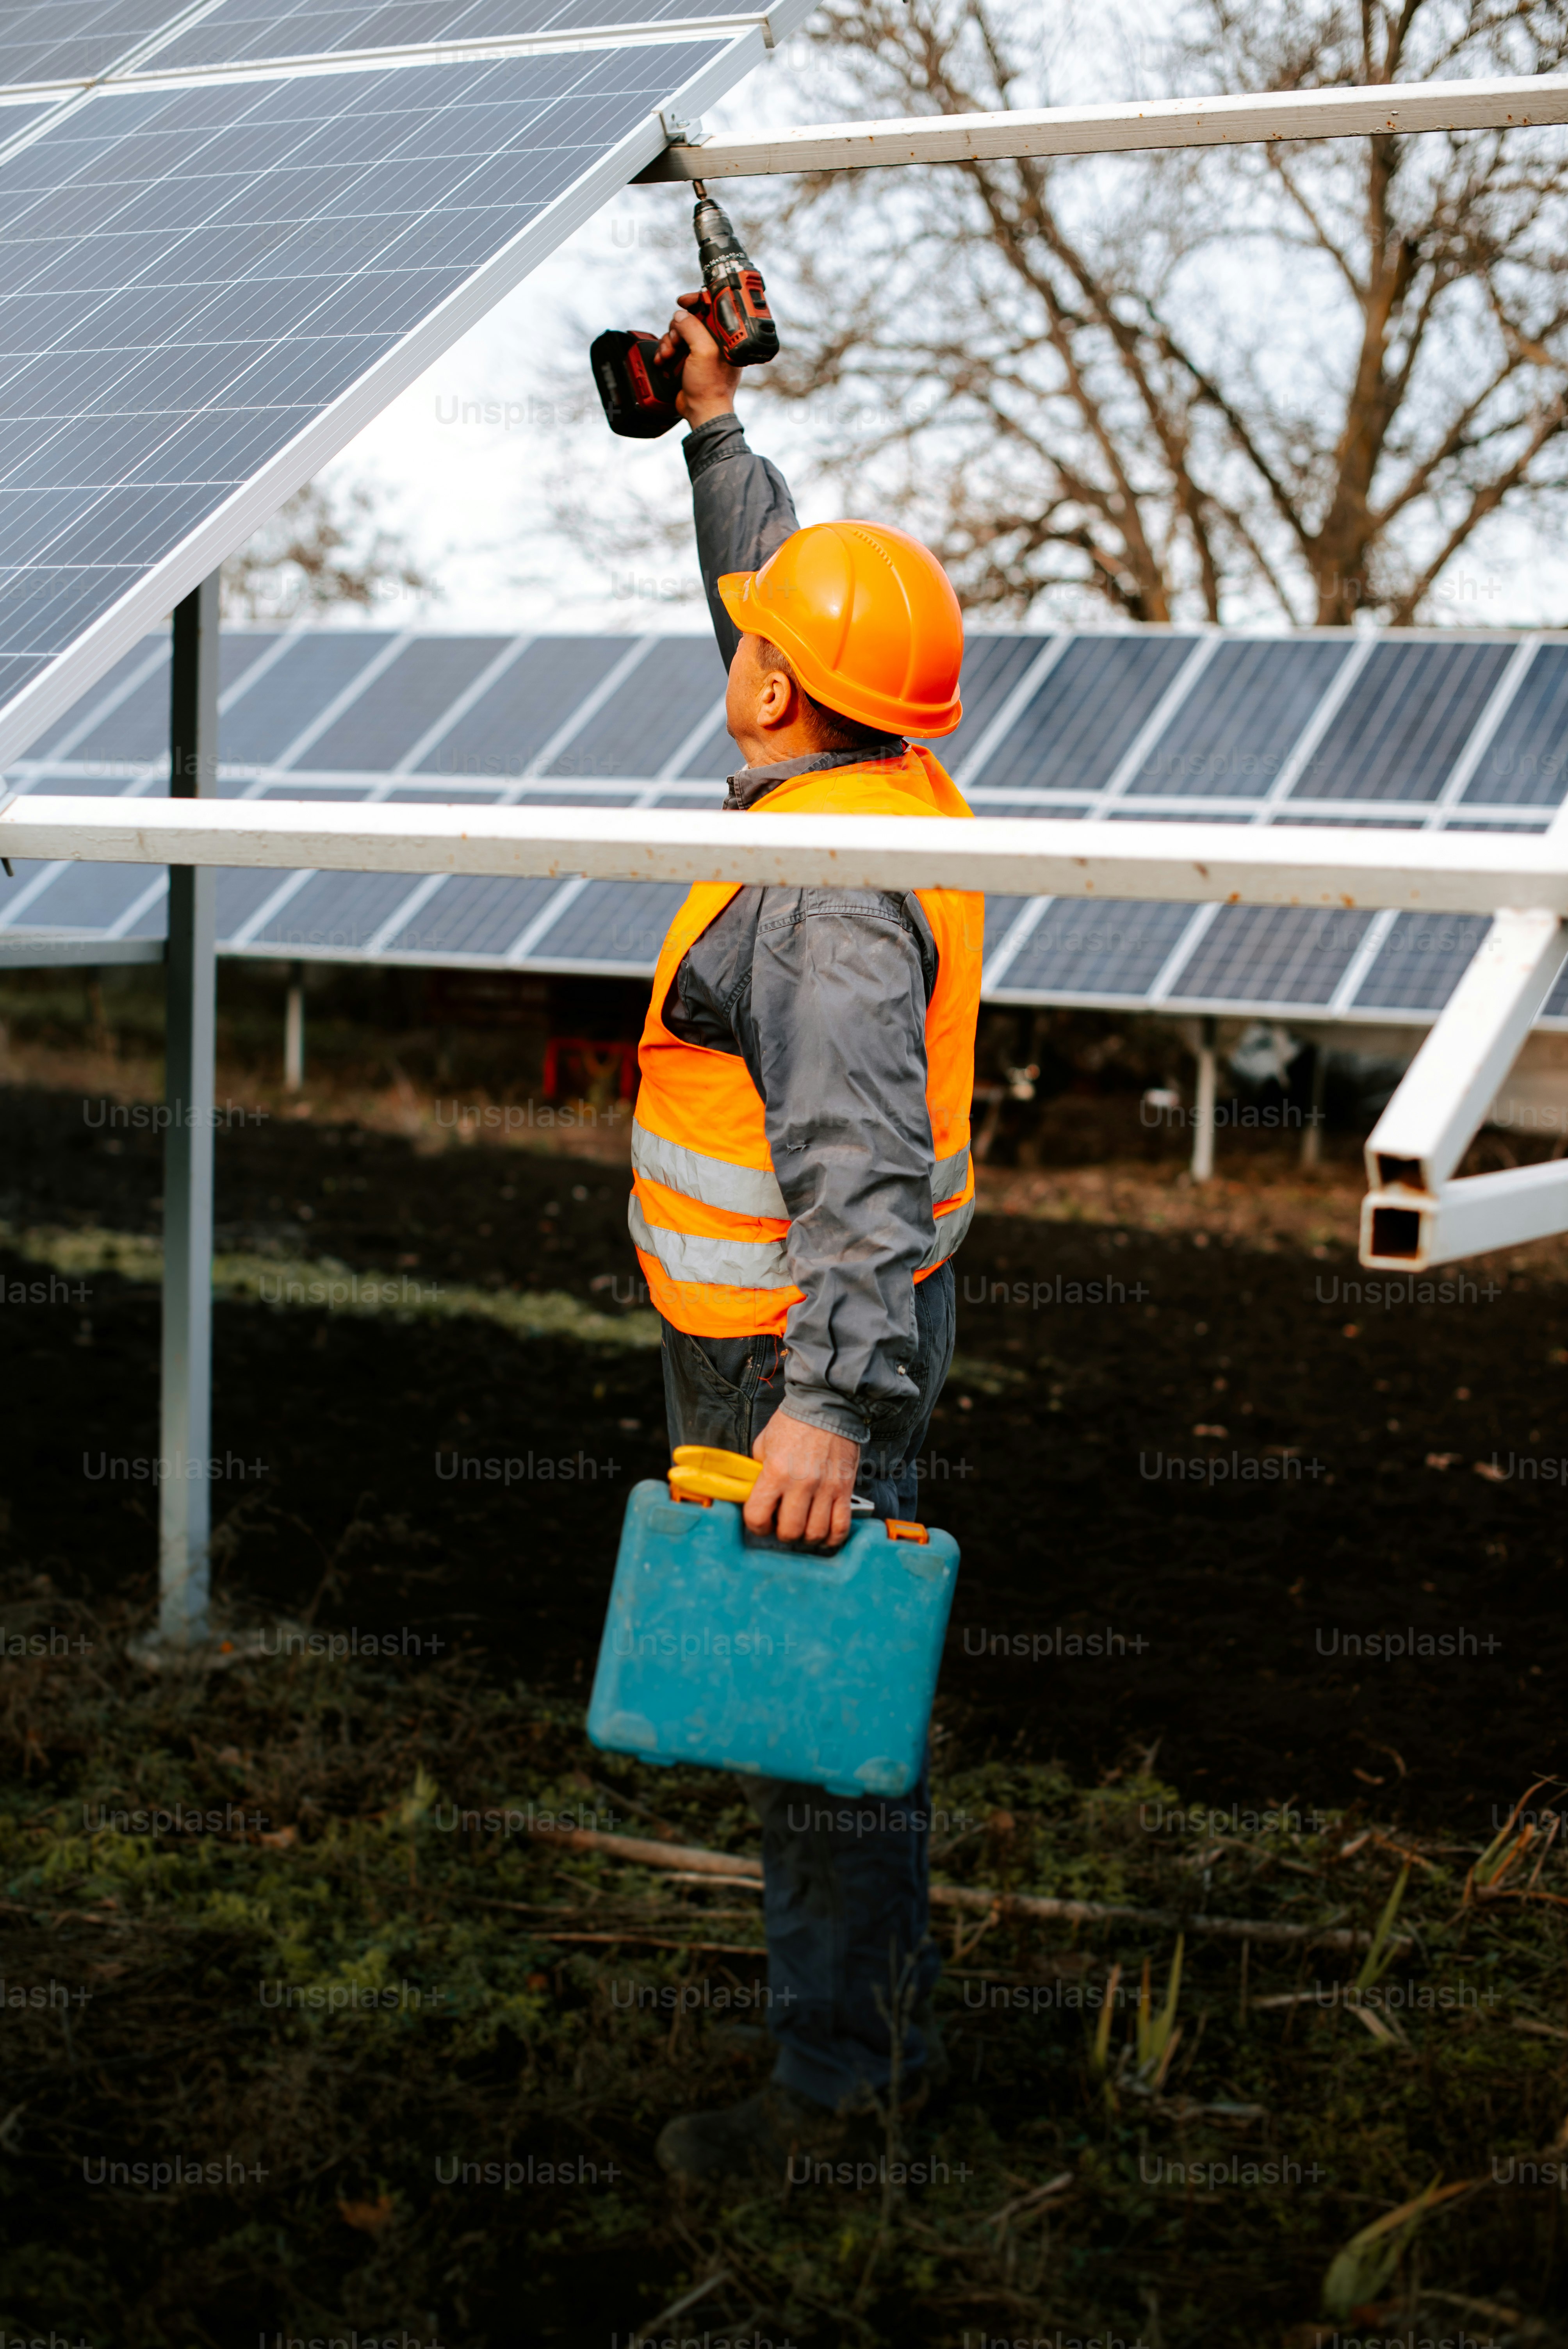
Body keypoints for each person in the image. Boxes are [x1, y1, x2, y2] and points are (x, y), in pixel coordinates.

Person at [632, 286, 984, 2183]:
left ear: (779, 698)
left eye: (756, 649)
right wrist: (711, 433)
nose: (740, 648)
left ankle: (841, 2111)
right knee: (840, 1725)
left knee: (814, 1735)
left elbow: (855, 1164)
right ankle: (887, 2057)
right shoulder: (885, 773)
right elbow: (776, 607)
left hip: (798, 1348)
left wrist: (829, 1410)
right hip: (816, 1328)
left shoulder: (825, 900)